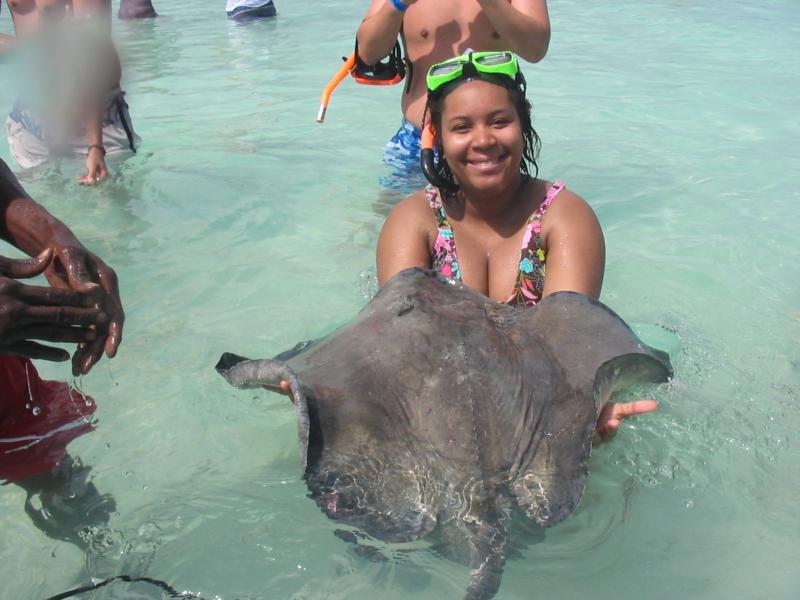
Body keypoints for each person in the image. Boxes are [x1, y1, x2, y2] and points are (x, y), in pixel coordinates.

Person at [375, 51, 657, 439]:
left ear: (523, 125)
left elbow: (566, 351)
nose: (483, 140)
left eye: (499, 121)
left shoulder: (564, 218)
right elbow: (400, 349)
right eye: (462, 127)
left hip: (535, 403)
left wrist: (585, 422)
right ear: (437, 139)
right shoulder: (414, 221)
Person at [356, 0, 550, 188]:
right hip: (420, 140)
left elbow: (535, 49)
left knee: (504, 218)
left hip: (491, 139)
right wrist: (398, 4)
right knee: (397, 217)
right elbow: (367, 53)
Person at [1, 0, 140, 184]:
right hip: (30, 118)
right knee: (40, 206)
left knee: (108, 207)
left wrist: (95, 146)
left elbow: (91, 50)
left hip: (96, 122)